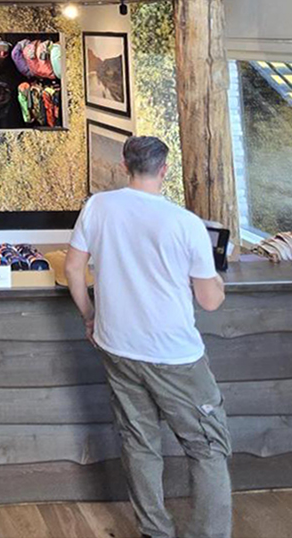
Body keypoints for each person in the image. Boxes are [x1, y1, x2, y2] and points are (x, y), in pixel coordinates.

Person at [64, 135, 230, 538]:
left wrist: (90, 317)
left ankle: (155, 531)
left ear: (124, 166)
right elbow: (209, 301)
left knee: (139, 443)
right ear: (165, 170)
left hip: (117, 346)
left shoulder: (98, 206)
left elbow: (72, 269)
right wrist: (217, 282)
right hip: (174, 356)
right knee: (208, 447)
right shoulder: (185, 224)